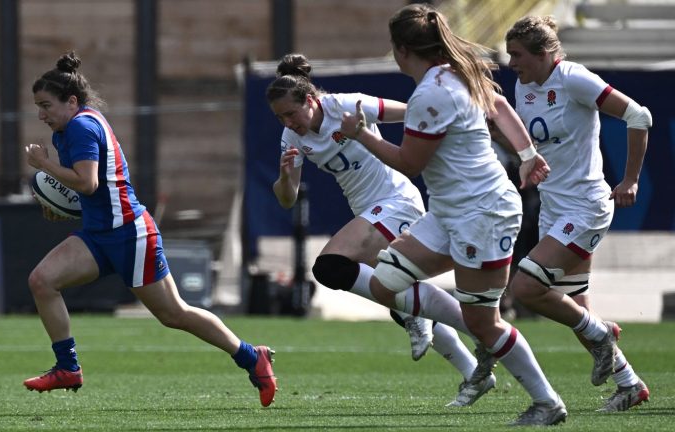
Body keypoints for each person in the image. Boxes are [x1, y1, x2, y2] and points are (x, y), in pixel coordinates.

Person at [339, 4, 566, 426]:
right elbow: (498, 104)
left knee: (485, 321)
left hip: (483, 214)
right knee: (387, 283)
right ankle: (462, 335)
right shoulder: (453, 74)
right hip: (450, 212)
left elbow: (408, 163)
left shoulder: (432, 92)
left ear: (402, 49)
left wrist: (361, 135)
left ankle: (547, 401)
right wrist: (527, 153)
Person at [21, 51, 277, 407]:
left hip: (130, 234)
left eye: (46, 105)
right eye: (38, 106)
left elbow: (89, 183)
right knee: (42, 281)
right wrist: (60, 206)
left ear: (72, 101)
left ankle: (251, 356)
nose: (41, 114)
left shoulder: (80, 126)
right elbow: (92, 190)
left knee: (174, 313)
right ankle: (68, 366)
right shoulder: (68, 127)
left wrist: (44, 166)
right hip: (99, 233)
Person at [266, 53, 497, 407]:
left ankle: (443, 323)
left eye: (291, 113)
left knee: (330, 266)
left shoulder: (344, 106)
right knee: (404, 295)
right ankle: (473, 372)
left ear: (310, 101)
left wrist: (451, 119)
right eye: (280, 116)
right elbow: (287, 199)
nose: (288, 121)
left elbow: (407, 110)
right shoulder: (291, 138)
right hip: (370, 212)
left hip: (397, 200)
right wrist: (284, 177)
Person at [504, 16, 651, 412]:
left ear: (545, 54)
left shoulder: (573, 78)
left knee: (526, 289)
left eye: (517, 54)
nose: (511, 61)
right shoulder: (524, 85)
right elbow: (536, 140)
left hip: (586, 205)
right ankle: (629, 384)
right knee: (575, 307)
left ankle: (603, 334)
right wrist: (526, 159)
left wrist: (631, 180)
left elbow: (640, 116)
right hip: (554, 206)